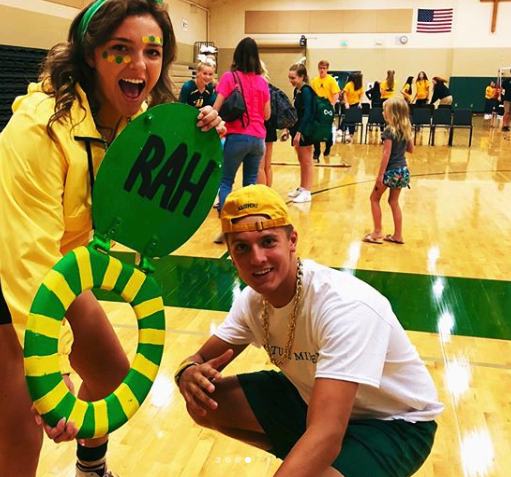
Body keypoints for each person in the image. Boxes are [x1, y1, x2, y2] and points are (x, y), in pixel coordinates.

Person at [0, 0, 222, 477]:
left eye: (152, 52)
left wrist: (196, 139)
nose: (140, 66)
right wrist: (52, 371)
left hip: (59, 267)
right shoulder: (40, 125)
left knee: (111, 374)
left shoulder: (137, 122)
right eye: (121, 50)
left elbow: (148, 203)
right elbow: (29, 261)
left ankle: (91, 469)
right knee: (22, 436)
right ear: (91, 55)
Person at [175, 183, 443, 477]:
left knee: (316, 458)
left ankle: (327, 464)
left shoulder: (344, 306)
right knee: (204, 403)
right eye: (241, 247)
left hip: (394, 423)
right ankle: (317, 461)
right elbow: (198, 360)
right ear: (230, 252)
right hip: (313, 400)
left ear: (292, 240)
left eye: (267, 242)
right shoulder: (252, 302)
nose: (257, 258)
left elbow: (327, 433)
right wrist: (186, 373)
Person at [213, 37, 270, 243]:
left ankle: (227, 229)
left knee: (226, 181)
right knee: (250, 185)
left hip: (237, 136)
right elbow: (267, 115)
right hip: (258, 139)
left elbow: (216, 107)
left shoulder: (230, 77)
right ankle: (246, 230)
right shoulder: (262, 82)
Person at [364, 95, 413, 245]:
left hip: (390, 171)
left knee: (374, 198)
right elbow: (411, 149)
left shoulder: (388, 131)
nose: (382, 113)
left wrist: (380, 176)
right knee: (394, 202)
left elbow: (386, 154)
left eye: (385, 110)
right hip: (403, 171)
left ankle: (377, 231)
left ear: (392, 113)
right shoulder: (406, 130)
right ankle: (398, 235)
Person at [287, 63, 316, 203]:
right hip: (298, 128)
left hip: (306, 129)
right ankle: (302, 187)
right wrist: (288, 129)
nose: (291, 81)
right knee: (301, 159)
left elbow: (308, 113)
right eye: (289, 78)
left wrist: (300, 132)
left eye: (293, 78)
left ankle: (307, 191)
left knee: (307, 160)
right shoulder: (297, 91)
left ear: (302, 77)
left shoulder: (306, 90)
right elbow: (296, 113)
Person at [310, 60, 340, 160]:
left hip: (327, 107)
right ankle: (316, 151)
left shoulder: (331, 80)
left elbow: (336, 93)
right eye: (320, 68)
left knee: (327, 130)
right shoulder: (314, 81)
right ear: (318, 69)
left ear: (327, 69)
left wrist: (331, 105)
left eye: (324, 68)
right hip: (318, 108)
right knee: (315, 129)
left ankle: (327, 147)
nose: (322, 70)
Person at [257, 63, 280, 188]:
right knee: (267, 165)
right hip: (270, 127)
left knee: (259, 166)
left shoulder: (258, 86)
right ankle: (269, 192)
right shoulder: (269, 86)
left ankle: (263, 195)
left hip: (261, 126)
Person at [341, 72, 364, 143]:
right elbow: (345, 94)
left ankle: (351, 135)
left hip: (355, 104)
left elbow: (361, 95)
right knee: (347, 119)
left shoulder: (360, 86)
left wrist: (360, 103)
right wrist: (346, 102)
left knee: (352, 121)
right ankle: (341, 129)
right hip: (348, 104)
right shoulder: (349, 84)